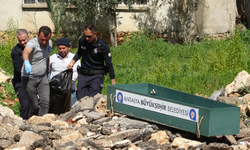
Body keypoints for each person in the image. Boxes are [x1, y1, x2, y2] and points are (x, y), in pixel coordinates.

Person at [67, 24, 116, 100]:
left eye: (89, 36)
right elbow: (79, 52)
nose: (87, 38)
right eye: (85, 35)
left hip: (96, 76)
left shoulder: (102, 45)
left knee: (92, 100)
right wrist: (72, 62)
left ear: (95, 33)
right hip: (83, 75)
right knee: (80, 100)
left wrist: (113, 81)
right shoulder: (82, 41)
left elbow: (109, 63)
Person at [21, 26, 52, 118]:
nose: (44, 42)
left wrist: (47, 72)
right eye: (42, 39)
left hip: (42, 78)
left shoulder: (49, 43)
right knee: (34, 106)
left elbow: (46, 58)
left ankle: (42, 123)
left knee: (45, 102)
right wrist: (26, 62)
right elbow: (25, 52)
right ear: (38, 35)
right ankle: (31, 122)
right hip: (29, 78)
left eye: (47, 39)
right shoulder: (32, 43)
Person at [49, 38, 80, 110]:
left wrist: (66, 83)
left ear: (69, 47)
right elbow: (48, 72)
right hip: (55, 93)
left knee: (70, 112)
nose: (61, 50)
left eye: (64, 48)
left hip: (69, 92)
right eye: (59, 48)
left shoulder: (74, 58)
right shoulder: (52, 58)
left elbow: (77, 73)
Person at [11, 29, 30, 120]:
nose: (23, 42)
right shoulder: (15, 51)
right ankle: (23, 123)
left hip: (33, 80)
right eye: (20, 40)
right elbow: (18, 68)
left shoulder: (33, 47)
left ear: (28, 37)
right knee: (25, 103)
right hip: (20, 82)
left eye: (24, 40)